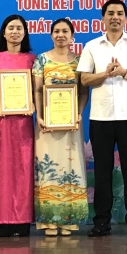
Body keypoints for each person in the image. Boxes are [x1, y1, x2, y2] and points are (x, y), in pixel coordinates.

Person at [77, 0, 127, 237]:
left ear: (126, 18)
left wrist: (125, 72)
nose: (115, 17)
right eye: (110, 13)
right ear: (103, 18)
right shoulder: (92, 46)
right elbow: (84, 79)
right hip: (101, 118)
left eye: (120, 13)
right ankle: (101, 222)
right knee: (102, 171)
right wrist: (105, 74)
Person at [0, 14, 37, 237]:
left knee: (22, 168)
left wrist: (33, 102)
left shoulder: (32, 59)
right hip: (0, 120)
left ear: (25, 33)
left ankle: (20, 221)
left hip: (23, 121)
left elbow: (37, 88)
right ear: (3, 32)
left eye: (19, 28)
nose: (15, 32)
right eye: (10, 28)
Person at [33, 18, 89, 235]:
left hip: (71, 125)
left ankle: (69, 219)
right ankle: (48, 220)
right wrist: (40, 116)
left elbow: (83, 92)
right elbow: (38, 90)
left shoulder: (80, 61)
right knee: (48, 169)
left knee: (71, 167)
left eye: (65, 31)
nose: (60, 35)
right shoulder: (41, 60)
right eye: (56, 31)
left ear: (72, 36)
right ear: (51, 35)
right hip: (46, 125)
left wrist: (79, 114)